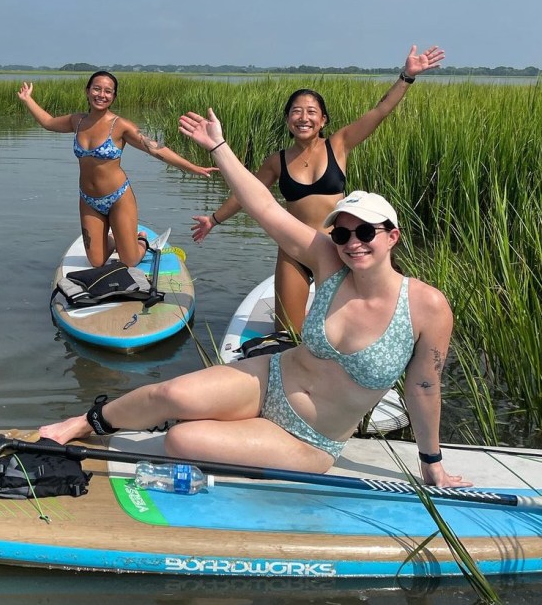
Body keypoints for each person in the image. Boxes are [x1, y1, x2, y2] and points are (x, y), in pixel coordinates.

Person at [40, 107, 469, 489]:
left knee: (181, 439)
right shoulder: (329, 261)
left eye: (365, 232)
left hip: (310, 438)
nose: (352, 243)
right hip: (271, 379)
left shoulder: (426, 307)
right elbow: (265, 206)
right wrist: (219, 147)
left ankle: (233, 433)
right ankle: (82, 422)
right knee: (170, 396)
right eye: (341, 232)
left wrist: (431, 462)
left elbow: (425, 387)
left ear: (392, 236)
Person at [191, 45, 445, 333]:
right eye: (296, 112)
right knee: (286, 332)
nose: (304, 117)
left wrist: (407, 76)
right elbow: (245, 194)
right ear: (288, 121)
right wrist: (213, 219)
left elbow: (380, 110)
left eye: (312, 112)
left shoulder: (339, 145)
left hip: (336, 248)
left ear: (323, 120)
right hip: (294, 250)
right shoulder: (276, 161)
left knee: (341, 328)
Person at [18, 70, 216, 268]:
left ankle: (141, 241)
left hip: (118, 198)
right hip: (88, 200)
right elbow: (48, 122)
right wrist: (27, 99)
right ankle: (115, 241)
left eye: (108, 91)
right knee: (96, 262)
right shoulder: (77, 121)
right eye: (96, 89)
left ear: (113, 97)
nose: (101, 95)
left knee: (129, 261)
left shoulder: (120, 126)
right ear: (87, 91)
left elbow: (155, 149)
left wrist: (191, 167)